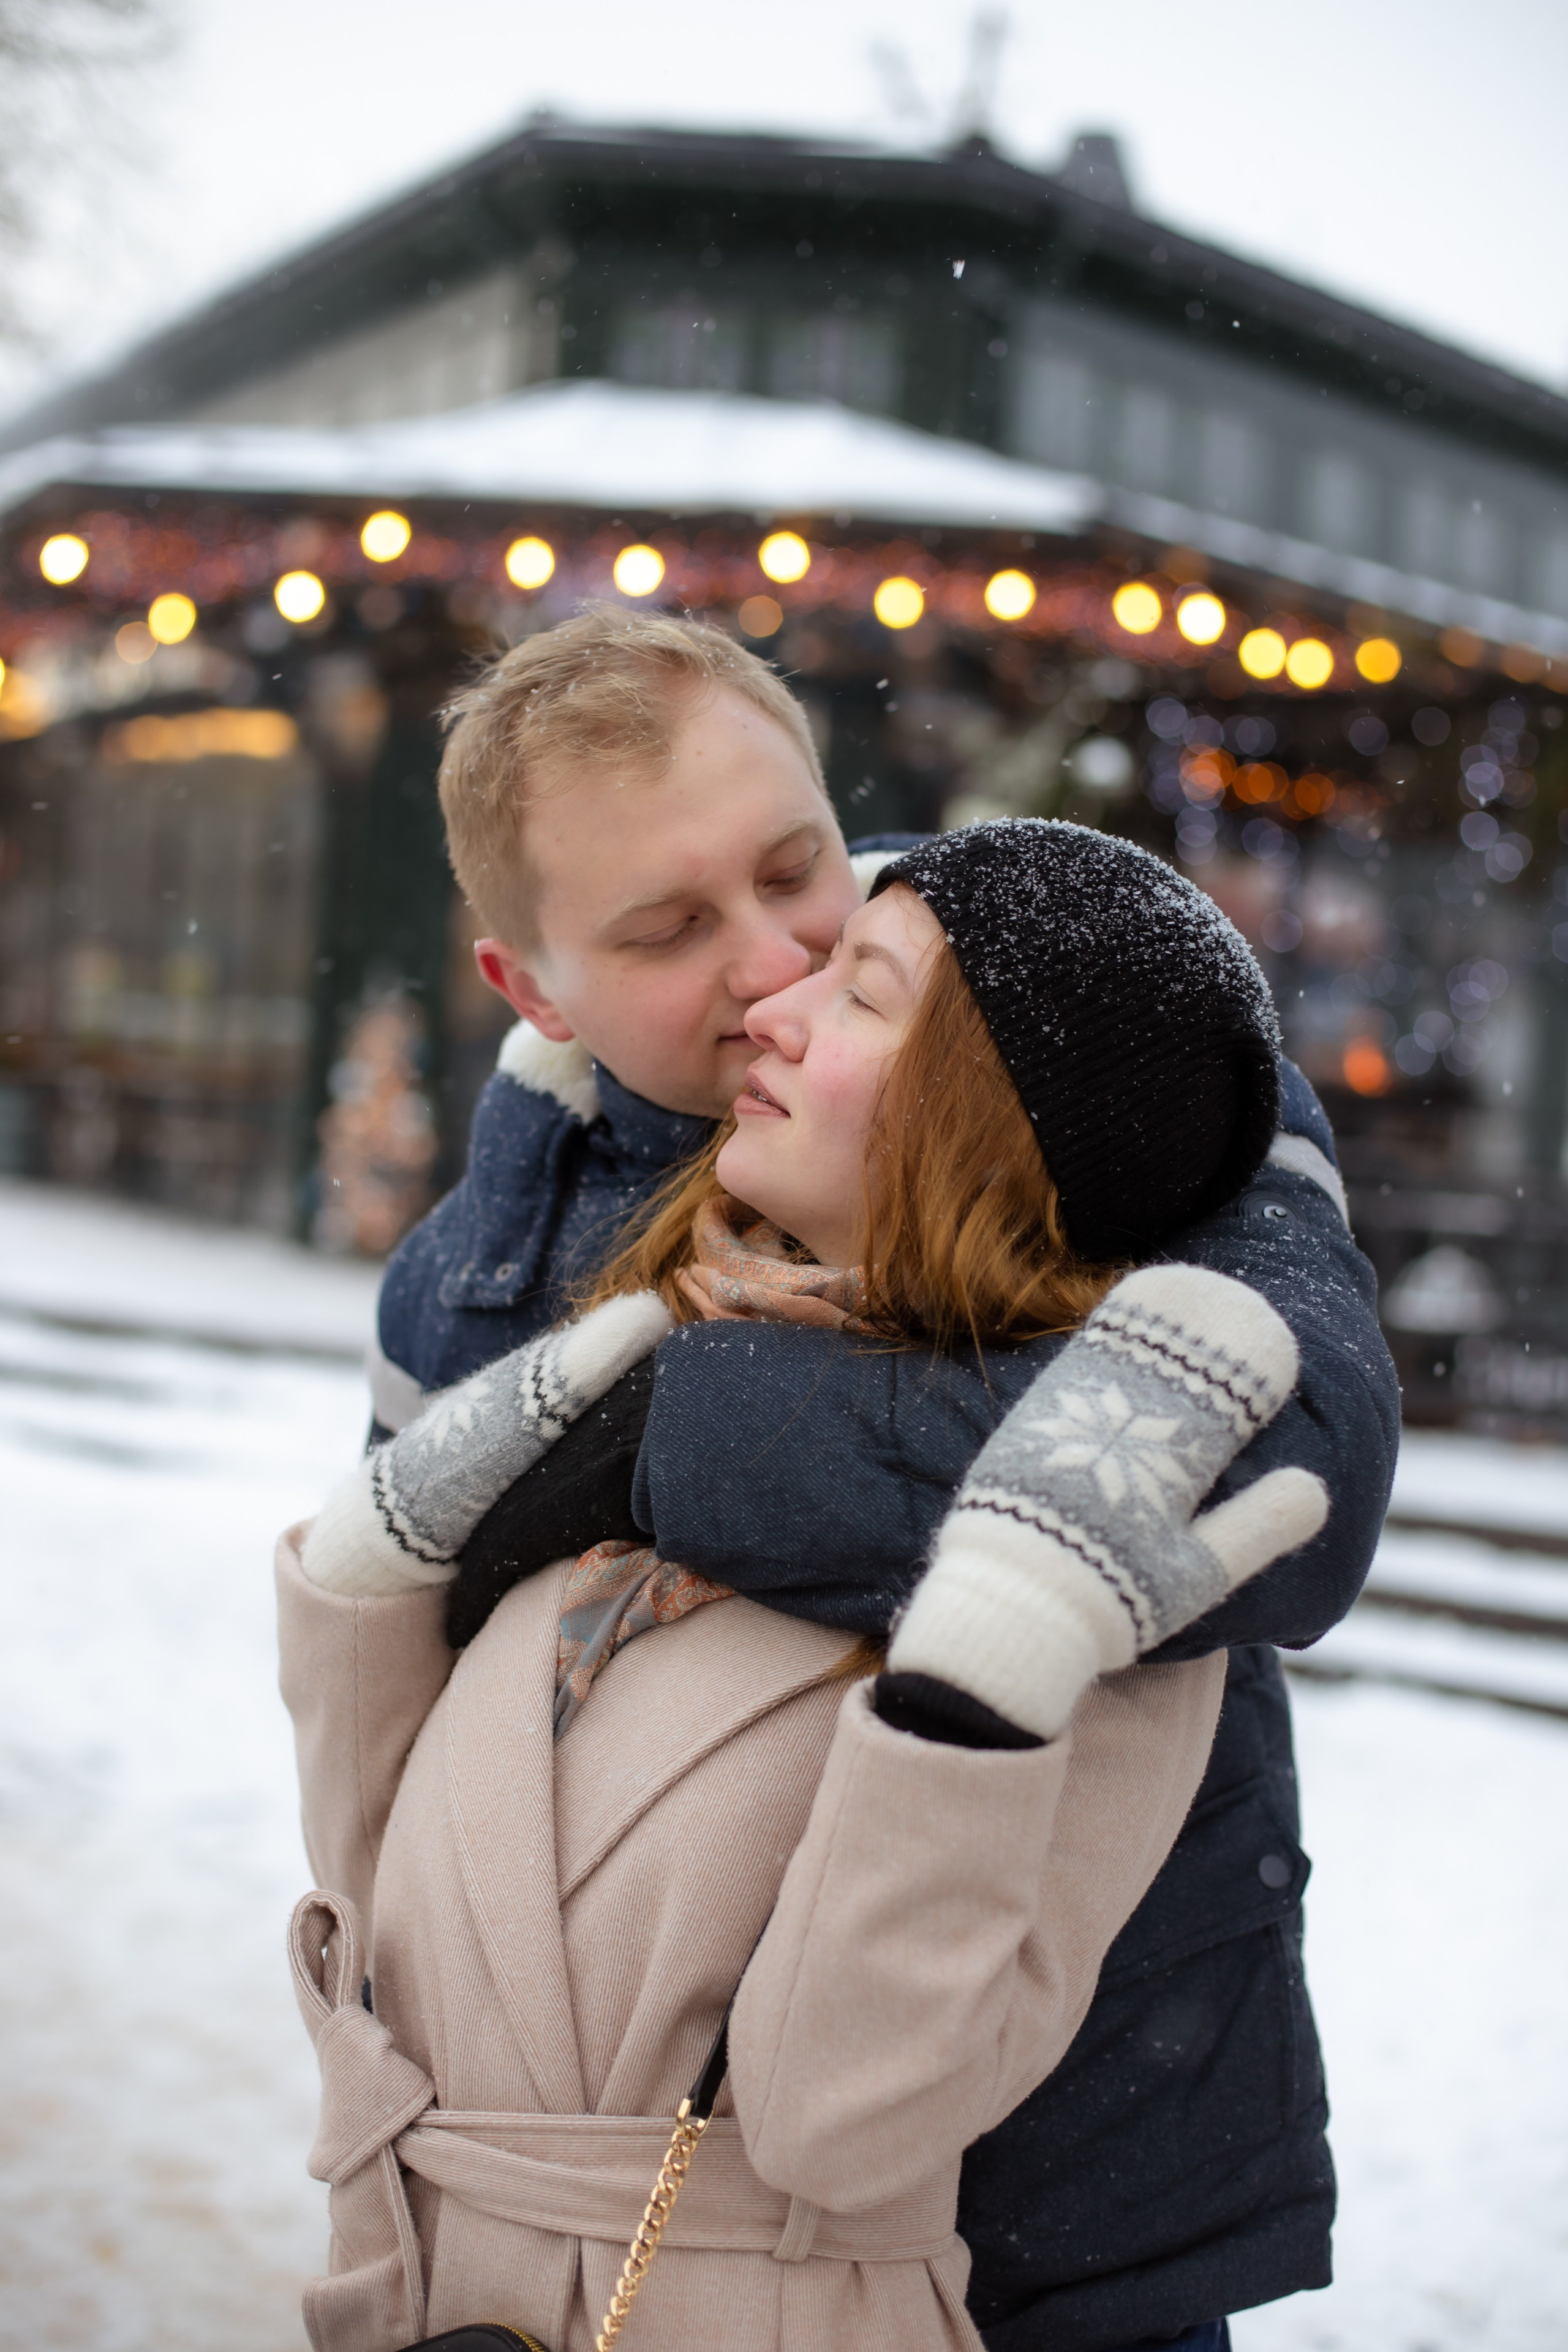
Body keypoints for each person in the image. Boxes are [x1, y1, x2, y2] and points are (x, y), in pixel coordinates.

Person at [369, 612, 1400, 2350]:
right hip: (617, 2243)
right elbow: (430, 1751)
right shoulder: (473, 1278)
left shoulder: (1065, 1013)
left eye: (795, 870)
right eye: (669, 930)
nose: (773, 964)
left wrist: (664, 1433)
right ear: (532, 989)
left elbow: (1290, 1468)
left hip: (1073, 2207)